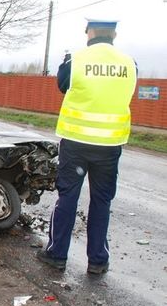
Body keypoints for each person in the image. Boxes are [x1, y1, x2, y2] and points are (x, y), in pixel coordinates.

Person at [37, 19, 137, 275]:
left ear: (89, 32)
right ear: (114, 33)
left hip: (76, 144)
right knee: (102, 201)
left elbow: (61, 84)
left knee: (67, 197)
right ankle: (98, 261)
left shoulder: (77, 61)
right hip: (110, 145)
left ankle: (57, 254)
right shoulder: (129, 63)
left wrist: (66, 61)